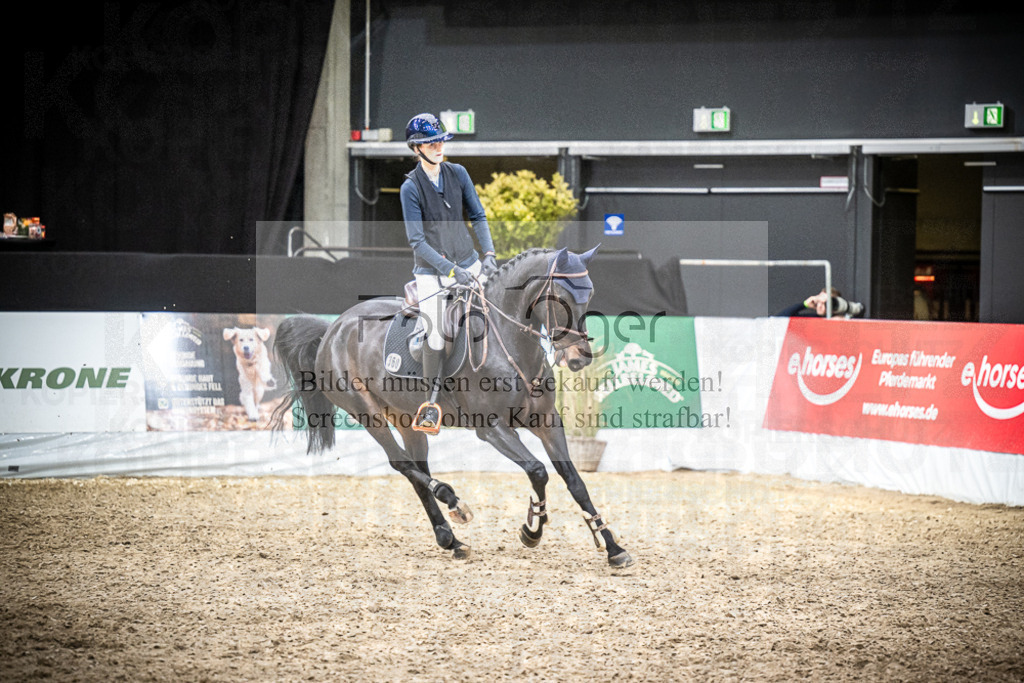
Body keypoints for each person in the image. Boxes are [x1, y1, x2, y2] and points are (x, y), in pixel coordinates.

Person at [400, 113, 498, 434]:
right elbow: (417, 241)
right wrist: (452, 272)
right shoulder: (410, 188)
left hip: (469, 262)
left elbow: (479, 215)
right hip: (431, 272)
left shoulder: (458, 173)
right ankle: (431, 404)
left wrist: (489, 255)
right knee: (437, 334)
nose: (439, 145)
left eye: (441, 140)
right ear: (417, 148)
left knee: (499, 308)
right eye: (432, 142)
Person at [776, 287, 865, 318]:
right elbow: (779, 319)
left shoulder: (842, 319)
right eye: (818, 302)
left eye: (825, 303)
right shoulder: (813, 319)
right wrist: (804, 304)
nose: (820, 306)